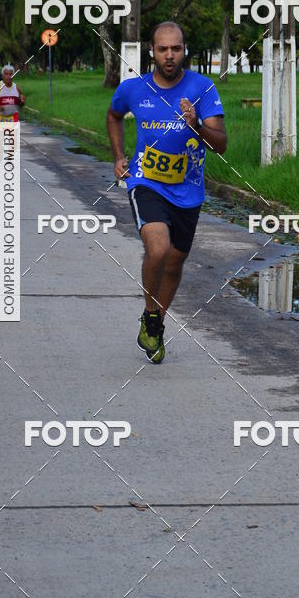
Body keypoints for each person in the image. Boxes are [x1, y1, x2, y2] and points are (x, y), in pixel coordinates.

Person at [106, 21, 227, 364]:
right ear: (152, 52)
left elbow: (221, 145)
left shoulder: (202, 89)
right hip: (146, 182)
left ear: (184, 50)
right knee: (157, 248)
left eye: (175, 48)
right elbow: (113, 115)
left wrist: (197, 126)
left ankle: (155, 326)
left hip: (188, 191)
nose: (169, 55)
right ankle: (150, 313)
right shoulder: (134, 89)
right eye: (163, 49)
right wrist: (118, 156)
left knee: (174, 264)